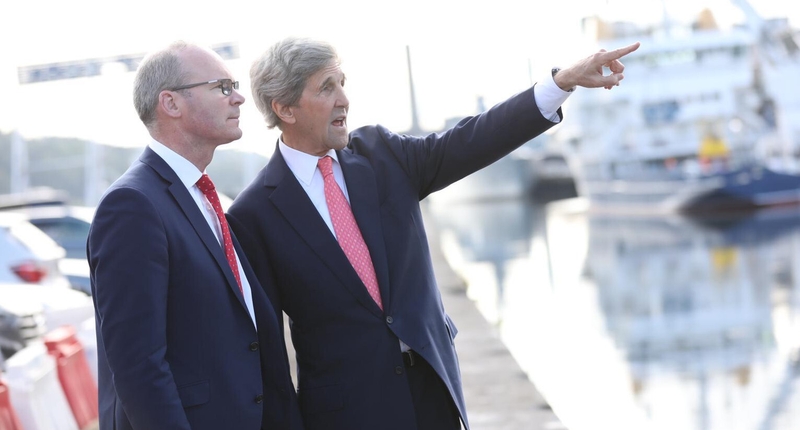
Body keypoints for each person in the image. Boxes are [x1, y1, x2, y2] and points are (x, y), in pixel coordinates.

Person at [227, 36, 640, 430]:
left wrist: (560, 83)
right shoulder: (254, 214)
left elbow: (473, 139)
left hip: (433, 393)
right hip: (345, 414)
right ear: (285, 108)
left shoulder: (383, 155)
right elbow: (266, 349)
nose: (344, 100)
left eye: (342, 83)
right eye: (326, 88)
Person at [87, 41, 303, 430]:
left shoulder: (203, 196)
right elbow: (139, 368)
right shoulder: (132, 205)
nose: (238, 98)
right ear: (171, 103)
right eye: (222, 86)